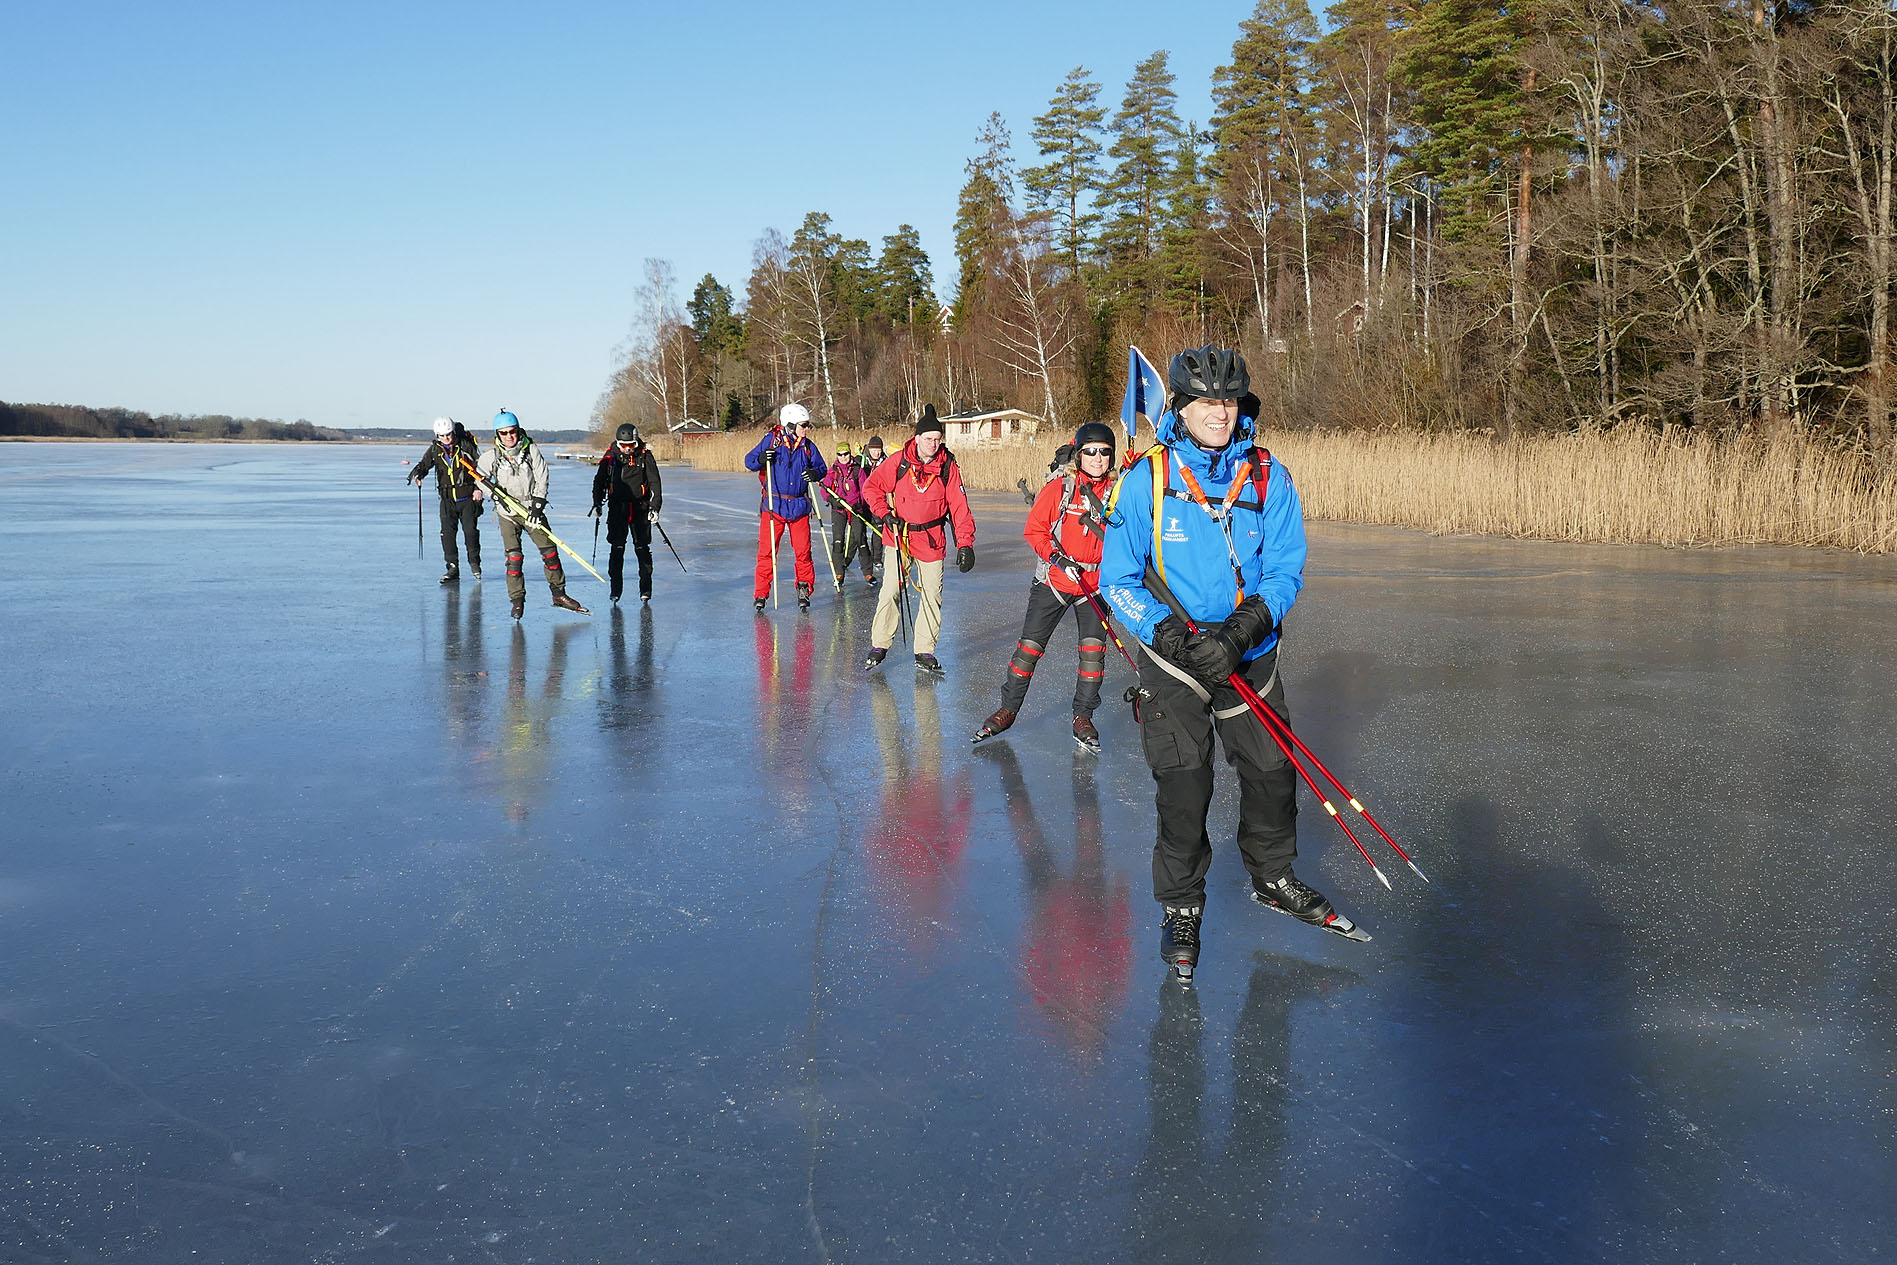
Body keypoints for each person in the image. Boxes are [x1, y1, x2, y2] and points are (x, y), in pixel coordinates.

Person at [1100, 345, 1347, 984]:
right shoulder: (1144, 479)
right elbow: (1117, 578)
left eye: (1229, 399)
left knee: (1271, 772)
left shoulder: (1269, 475)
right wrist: (1166, 633)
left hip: (1249, 650)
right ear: (1178, 408)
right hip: (1174, 660)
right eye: (1207, 400)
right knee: (1185, 785)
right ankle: (1181, 904)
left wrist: (1244, 628)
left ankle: (1272, 877)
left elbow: (1287, 566)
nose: (1220, 411)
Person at [972, 422, 1118, 753]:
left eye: (1104, 451)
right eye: (1090, 451)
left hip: (1094, 586)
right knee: (1029, 650)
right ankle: (1008, 709)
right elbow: (1035, 531)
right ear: (1079, 455)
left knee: (1093, 656)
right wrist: (1056, 557)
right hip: (1055, 580)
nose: (1097, 457)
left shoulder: (1120, 490)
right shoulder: (1061, 488)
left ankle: (1083, 717)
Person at [861, 405, 975, 676]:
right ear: (917, 438)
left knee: (932, 595)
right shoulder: (900, 461)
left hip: (932, 539)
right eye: (928, 439)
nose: (933, 444)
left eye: (938, 439)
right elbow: (871, 487)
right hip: (898, 536)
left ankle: (924, 650)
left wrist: (965, 543)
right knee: (890, 590)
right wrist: (884, 513)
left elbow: (959, 506)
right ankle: (880, 644)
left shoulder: (947, 466)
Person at [475, 410, 589, 619]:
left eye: (513, 431)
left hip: (531, 510)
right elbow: (479, 479)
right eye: (504, 433)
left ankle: (559, 594)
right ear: (497, 435)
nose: (509, 436)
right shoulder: (490, 457)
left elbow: (542, 476)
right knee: (514, 557)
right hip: (507, 513)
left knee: (550, 552)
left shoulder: (531, 450)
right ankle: (517, 600)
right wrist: (494, 495)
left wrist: (537, 505)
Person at [743, 403, 828, 611]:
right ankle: (761, 593)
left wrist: (815, 474)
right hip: (774, 507)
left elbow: (822, 467)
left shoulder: (807, 446)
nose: (806, 429)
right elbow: (749, 461)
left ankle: (803, 587)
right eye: (803, 425)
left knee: (803, 552)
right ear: (790, 425)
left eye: (807, 425)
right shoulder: (772, 440)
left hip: (798, 506)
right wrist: (762, 458)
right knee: (766, 553)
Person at [590, 423, 663, 604]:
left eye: (632, 445)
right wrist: (597, 503)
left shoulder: (645, 457)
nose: (628, 449)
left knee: (642, 549)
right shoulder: (610, 458)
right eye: (624, 446)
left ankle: (645, 589)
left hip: (640, 508)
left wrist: (655, 507)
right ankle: (616, 589)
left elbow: (655, 483)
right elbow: (599, 482)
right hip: (617, 509)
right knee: (617, 549)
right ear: (618, 443)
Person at [407, 416, 482, 583]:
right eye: (442, 436)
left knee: (470, 532)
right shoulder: (435, 450)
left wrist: (478, 489)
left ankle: (475, 564)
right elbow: (424, 465)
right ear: (437, 436)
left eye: (449, 434)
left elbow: (481, 467)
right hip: (447, 499)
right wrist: (418, 474)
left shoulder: (465, 446)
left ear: (453, 432)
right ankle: (452, 568)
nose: (446, 439)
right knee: (447, 535)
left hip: (467, 497)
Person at [818, 439, 874, 589]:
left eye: (846, 454)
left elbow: (864, 489)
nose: (843, 457)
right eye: (840, 454)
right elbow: (824, 489)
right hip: (839, 510)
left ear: (850, 454)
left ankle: (868, 573)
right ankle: (839, 573)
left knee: (860, 538)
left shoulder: (858, 470)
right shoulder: (833, 471)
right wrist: (831, 499)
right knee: (838, 541)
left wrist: (860, 505)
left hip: (855, 510)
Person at [857, 436, 888, 583]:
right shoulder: (861, 460)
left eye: (879, 449)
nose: (876, 452)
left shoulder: (886, 461)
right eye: (874, 449)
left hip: (878, 500)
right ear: (869, 449)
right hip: (862, 501)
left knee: (878, 530)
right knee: (860, 531)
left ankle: (877, 559)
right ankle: (855, 559)